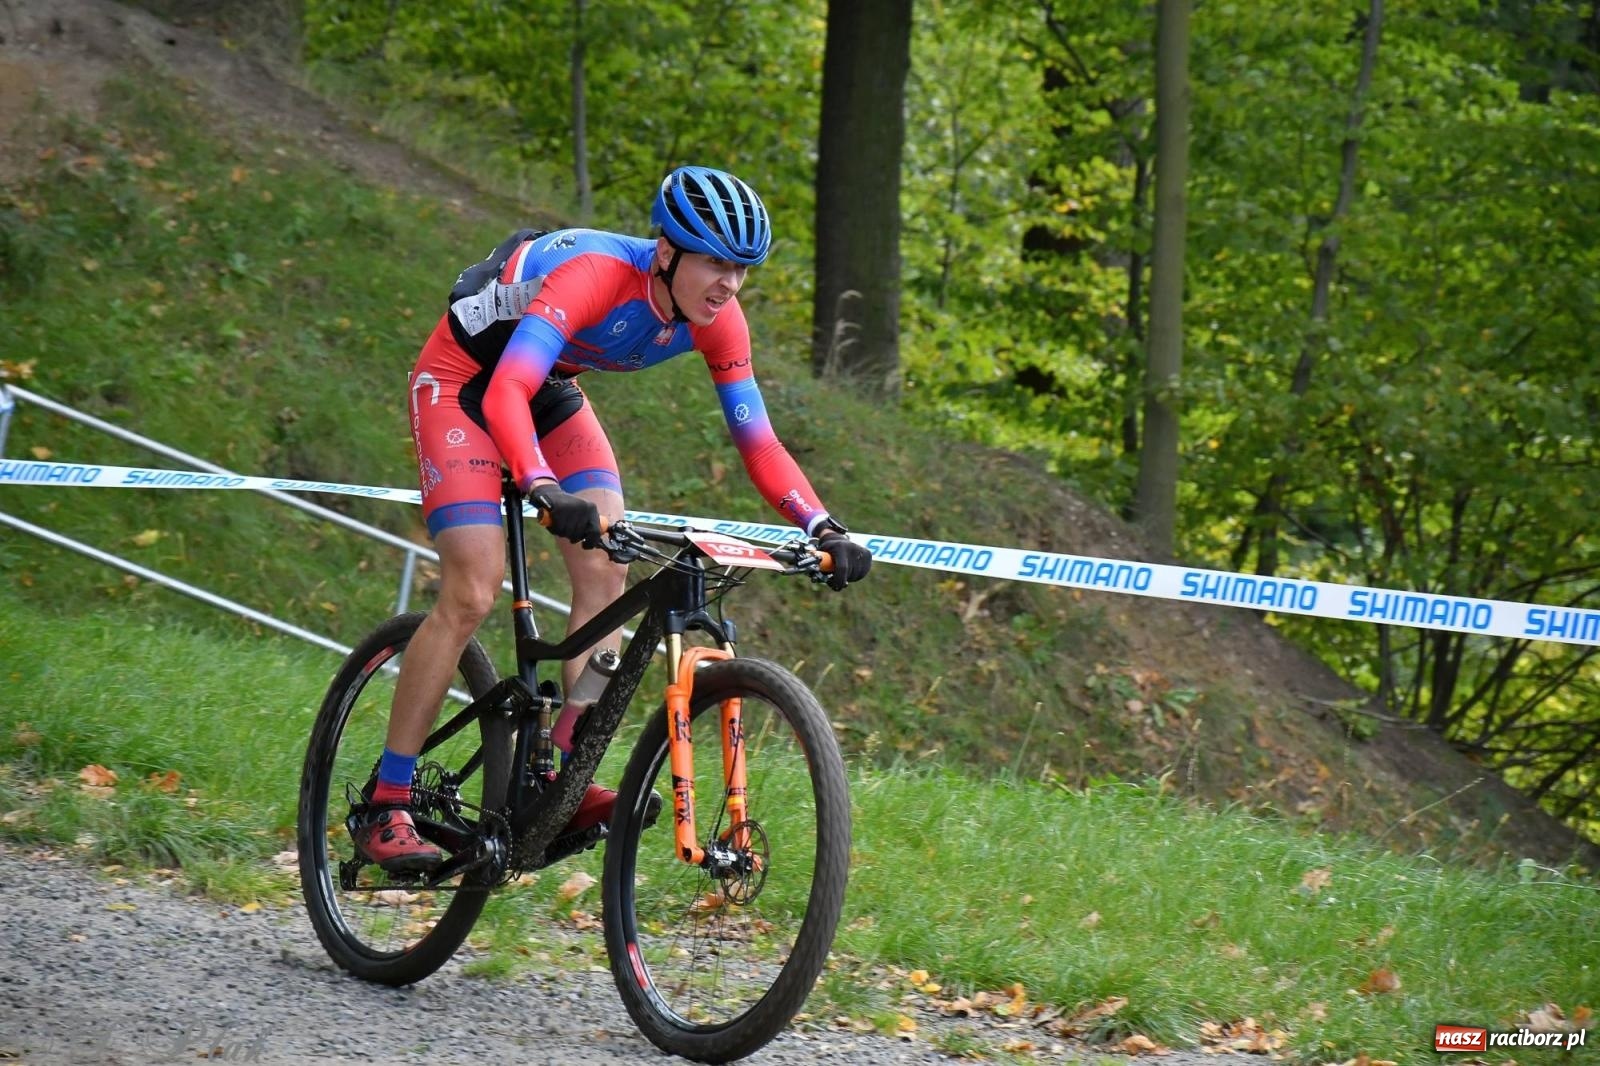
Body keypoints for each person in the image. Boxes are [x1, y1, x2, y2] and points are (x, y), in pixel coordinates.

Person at [354, 165, 874, 873]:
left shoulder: (718, 319)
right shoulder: (594, 275)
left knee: (609, 561)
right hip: (465, 384)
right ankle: (386, 802)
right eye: (716, 263)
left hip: (550, 388)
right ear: (667, 253)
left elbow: (759, 441)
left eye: (743, 270)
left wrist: (822, 526)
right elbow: (506, 387)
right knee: (474, 587)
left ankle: (556, 774)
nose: (729, 284)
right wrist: (540, 484)